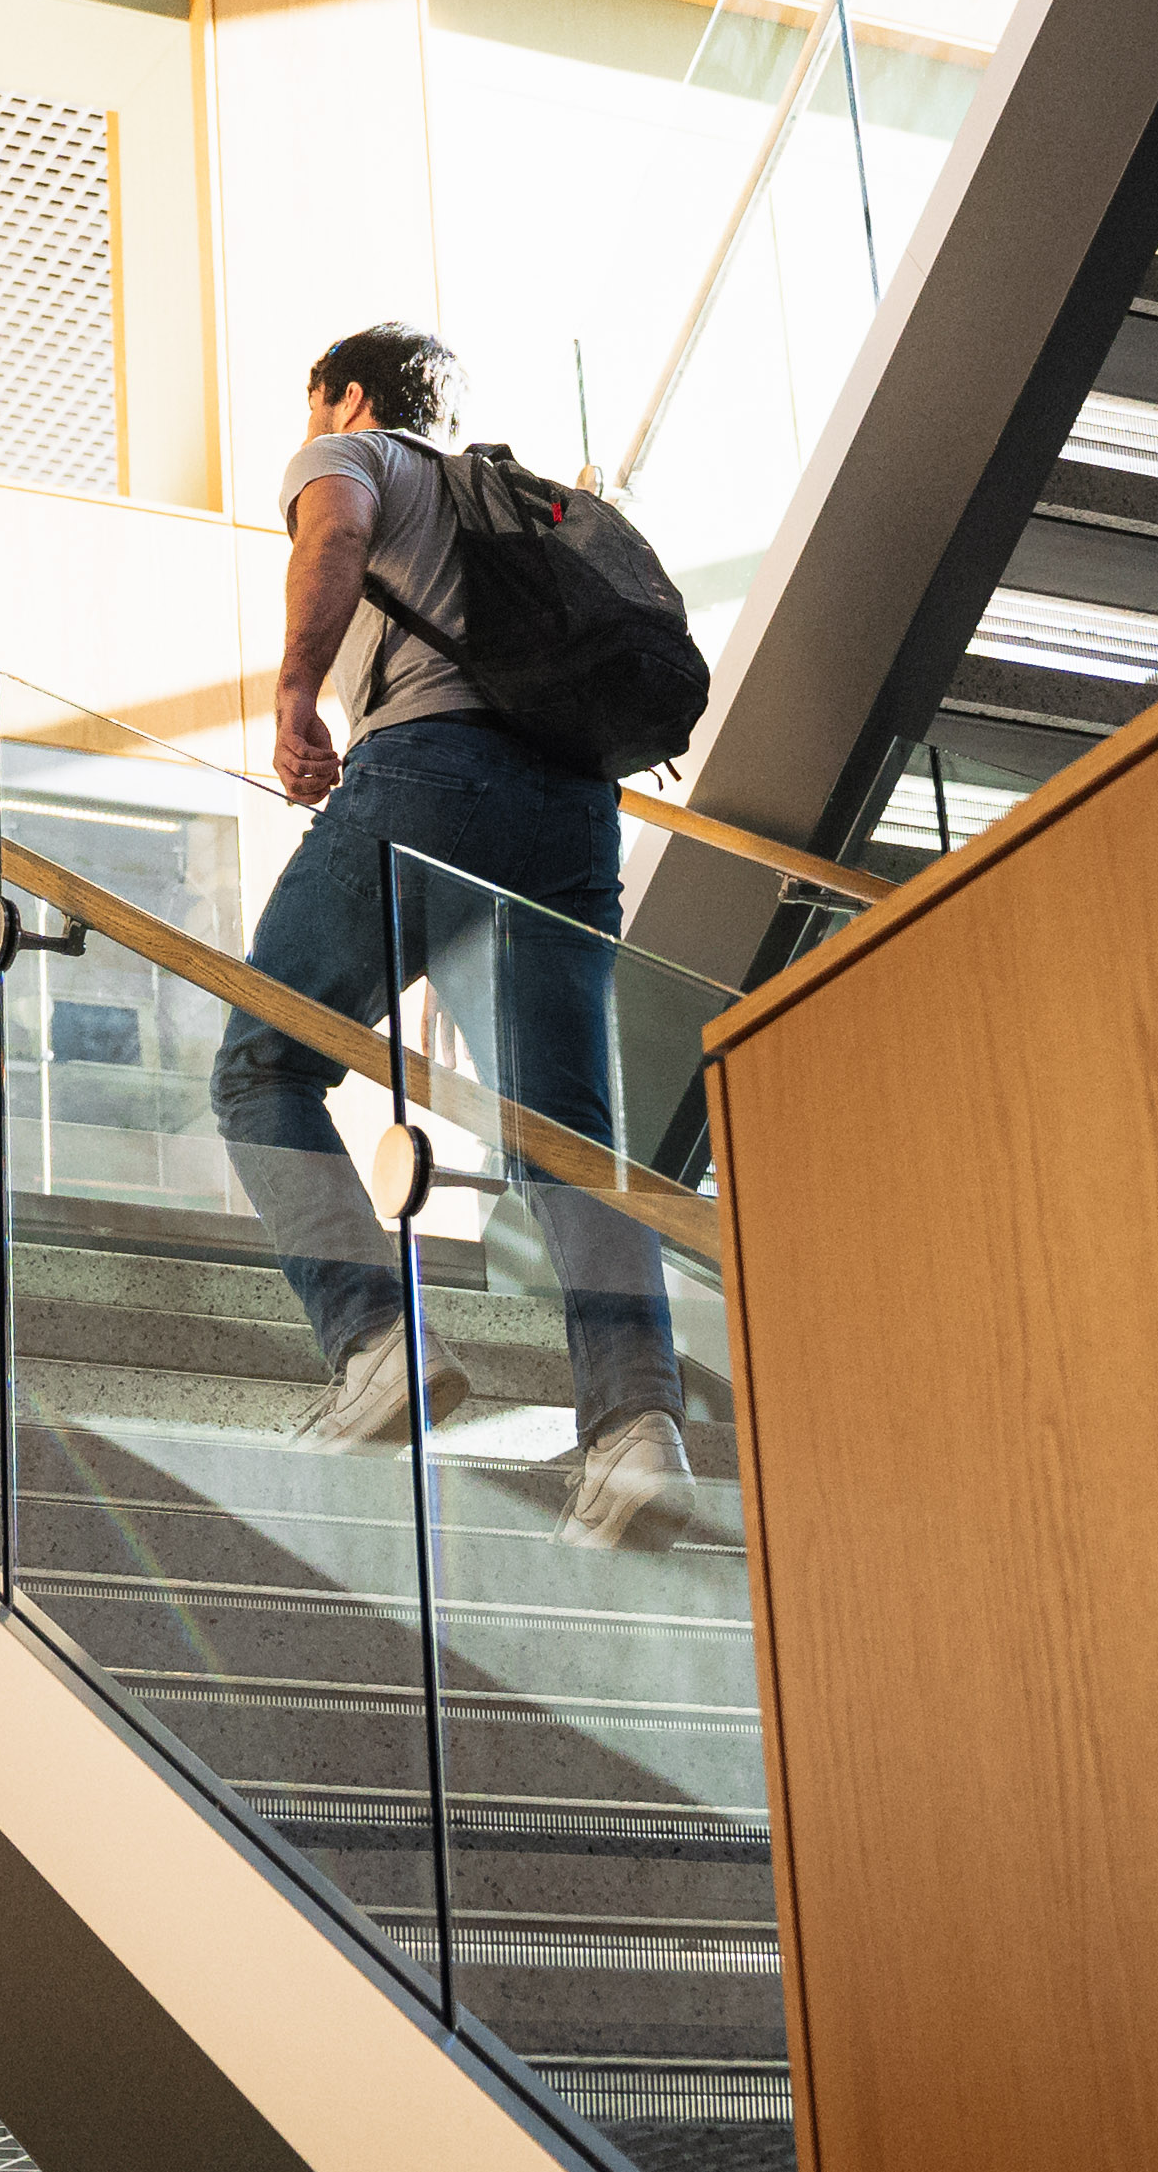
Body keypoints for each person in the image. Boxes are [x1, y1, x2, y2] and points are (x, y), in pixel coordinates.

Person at [215, 321, 694, 1553]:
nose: (309, 424)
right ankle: (637, 1434)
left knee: (264, 1063)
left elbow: (328, 535)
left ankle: (376, 1346)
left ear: (351, 394)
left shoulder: (356, 454)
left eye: (311, 400)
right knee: (564, 1136)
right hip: (573, 810)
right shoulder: (512, 501)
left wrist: (293, 693)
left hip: (433, 779)